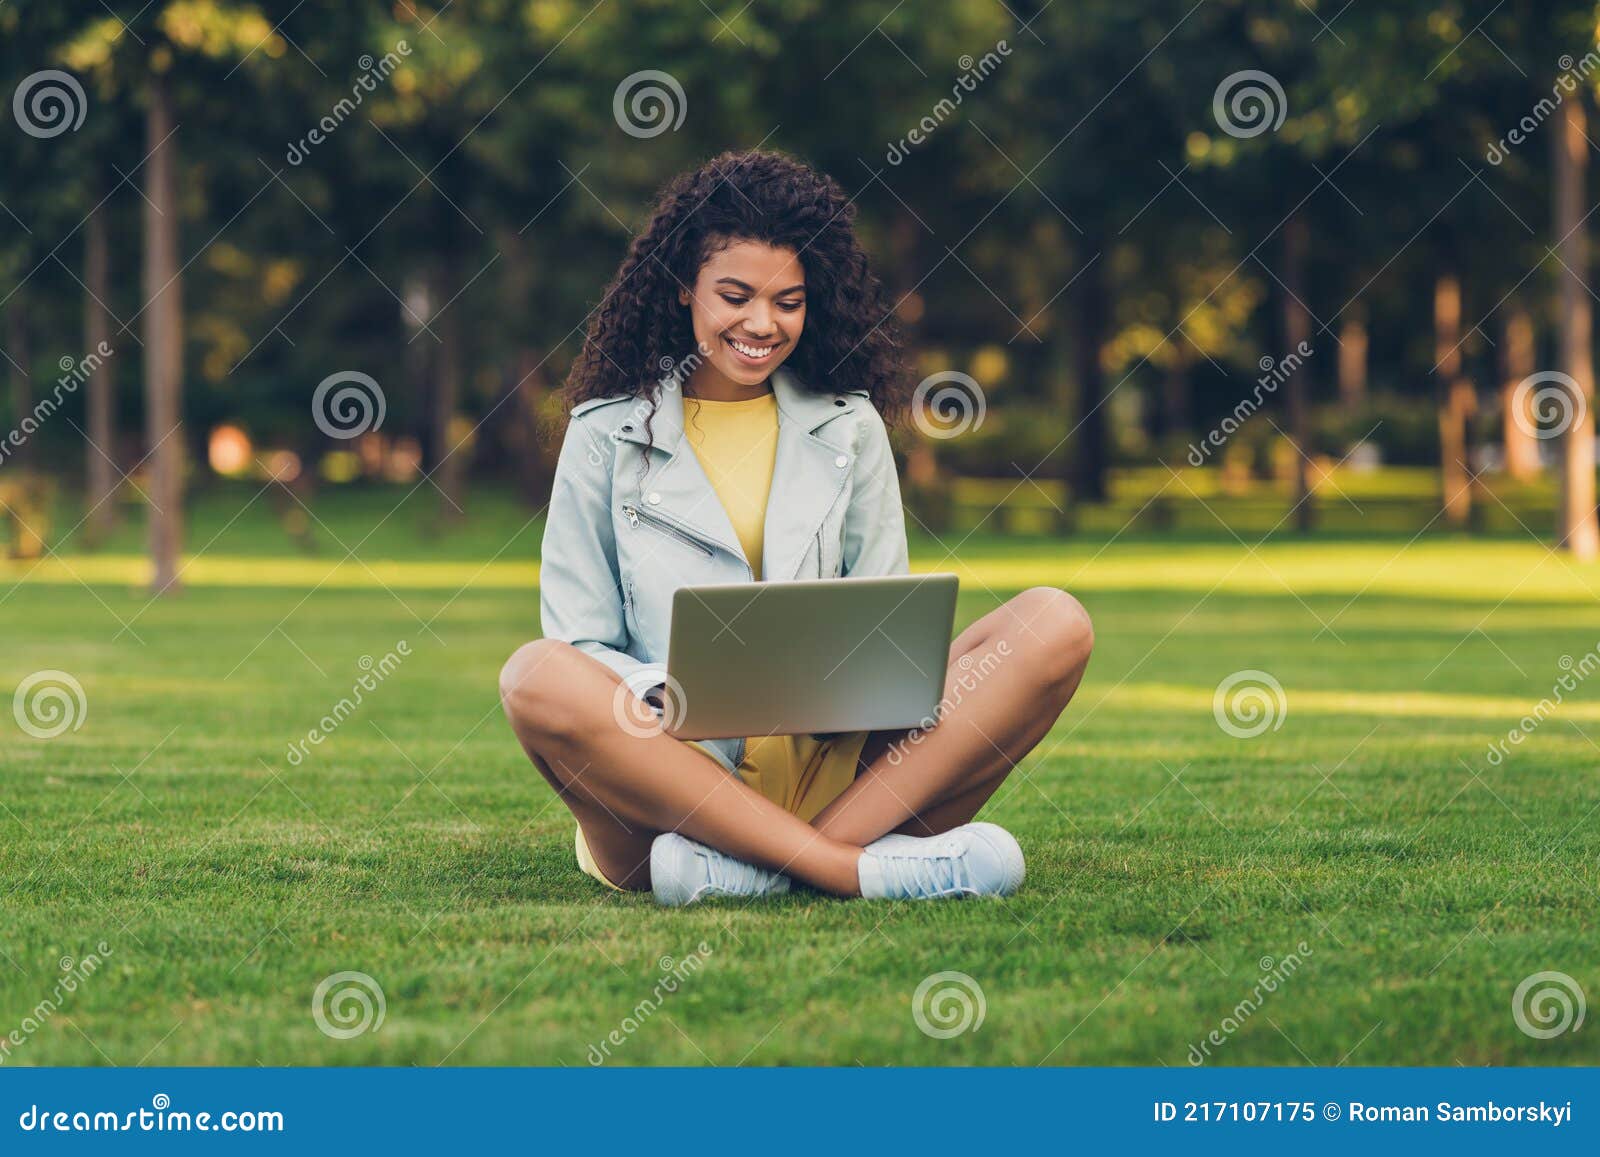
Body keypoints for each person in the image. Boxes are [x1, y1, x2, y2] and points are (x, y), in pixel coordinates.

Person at [499, 148, 1093, 905]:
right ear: (684, 288)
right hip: (667, 799)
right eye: (735, 295)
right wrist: (670, 693)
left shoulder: (851, 428)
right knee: (535, 674)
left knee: (1054, 622)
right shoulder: (603, 434)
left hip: (837, 774)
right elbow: (581, 640)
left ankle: (763, 869)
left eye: (788, 300)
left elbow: (885, 626)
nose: (761, 323)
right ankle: (848, 871)